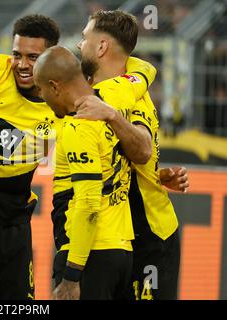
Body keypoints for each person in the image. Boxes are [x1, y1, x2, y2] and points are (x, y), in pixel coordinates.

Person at [0, 14, 156, 300]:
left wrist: (154, 172)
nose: (23, 65)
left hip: (17, 220)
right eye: (17, 54)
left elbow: (144, 70)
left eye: (33, 57)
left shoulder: (67, 99)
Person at [73, 10, 188, 300]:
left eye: (85, 38)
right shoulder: (100, 87)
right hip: (106, 237)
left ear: (101, 47)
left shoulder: (134, 94)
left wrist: (111, 115)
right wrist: (157, 174)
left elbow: (142, 148)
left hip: (148, 237)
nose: (79, 44)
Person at [34, 45, 136, 299]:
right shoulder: (112, 109)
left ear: (55, 86)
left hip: (90, 258)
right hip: (122, 252)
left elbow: (89, 203)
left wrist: (71, 276)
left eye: (41, 89)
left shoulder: (78, 128)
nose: (41, 96)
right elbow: (145, 70)